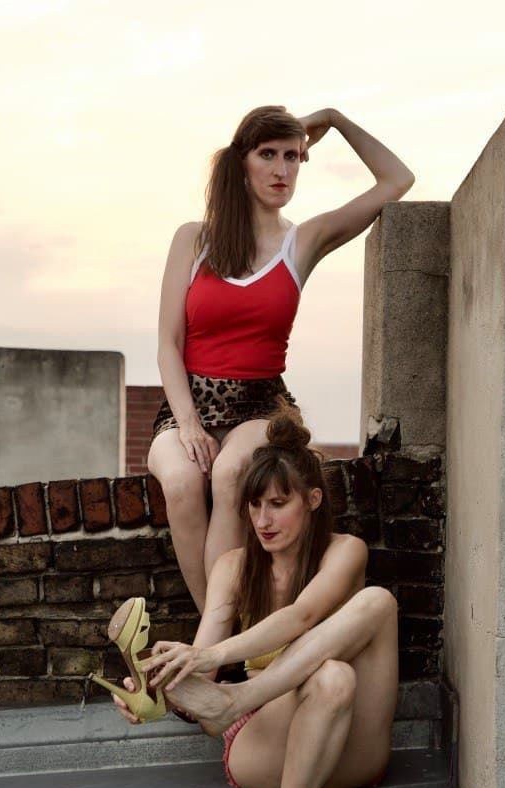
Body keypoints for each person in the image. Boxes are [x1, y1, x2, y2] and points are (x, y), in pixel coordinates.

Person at [112, 406, 399, 788]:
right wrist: (156, 685)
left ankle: (239, 700)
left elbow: (303, 617)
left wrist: (225, 678)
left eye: (278, 504)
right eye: (254, 504)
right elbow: (202, 656)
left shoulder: (345, 552)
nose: (263, 519)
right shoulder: (234, 567)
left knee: (377, 605)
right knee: (332, 677)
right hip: (267, 751)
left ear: (312, 501)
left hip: (352, 748)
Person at [147, 104, 415, 613]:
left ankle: (220, 637)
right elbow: (168, 343)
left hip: (260, 405)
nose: (282, 169)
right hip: (187, 405)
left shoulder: (302, 241)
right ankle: (219, 630)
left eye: (293, 157)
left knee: (230, 474)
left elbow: (397, 179)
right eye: (268, 154)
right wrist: (189, 424)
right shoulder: (193, 239)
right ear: (241, 163)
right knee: (181, 482)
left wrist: (334, 119)